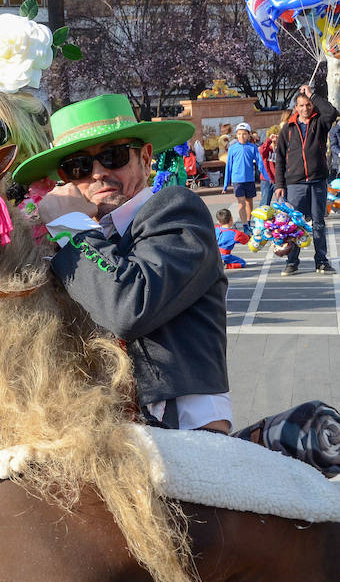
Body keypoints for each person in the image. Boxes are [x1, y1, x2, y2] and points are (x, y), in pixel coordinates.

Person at [14, 94, 231, 434]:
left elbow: (127, 306)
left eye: (112, 156)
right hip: (102, 431)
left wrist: (70, 226)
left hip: (183, 429)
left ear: (145, 158)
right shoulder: (69, 241)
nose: (98, 173)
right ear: (65, 179)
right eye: (79, 167)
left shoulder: (176, 210)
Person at [274, 84, 338, 275]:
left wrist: (312, 94)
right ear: (296, 108)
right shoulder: (288, 129)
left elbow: (332, 112)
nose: (305, 109)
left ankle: (321, 261)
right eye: (301, 105)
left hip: (317, 180)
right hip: (295, 183)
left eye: (308, 105)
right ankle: (292, 262)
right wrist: (279, 184)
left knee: (318, 222)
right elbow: (279, 158)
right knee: (294, 224)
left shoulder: (320, 123)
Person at [222, 122, 270, 235]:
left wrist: (267, 177)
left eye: (244, 134)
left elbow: (260, 163)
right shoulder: (232, 149)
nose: (241, 136)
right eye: (239, 134)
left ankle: (248, 222)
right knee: (241, 203)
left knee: (249, 203)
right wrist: (225, 185)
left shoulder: (253, 148)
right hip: (237, 180)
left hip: (249, 179)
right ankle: (244, 226)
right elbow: (228, 166)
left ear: (249, 135)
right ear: (236, 135)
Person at [259, 128, 279, 206]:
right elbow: (261, 152)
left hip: (278, 179)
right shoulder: (267, 148)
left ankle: (282, 218)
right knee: (265, 202)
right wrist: (269, 140)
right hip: (266, 179)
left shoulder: (281, 148)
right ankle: (262, 218)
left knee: (282, 202)